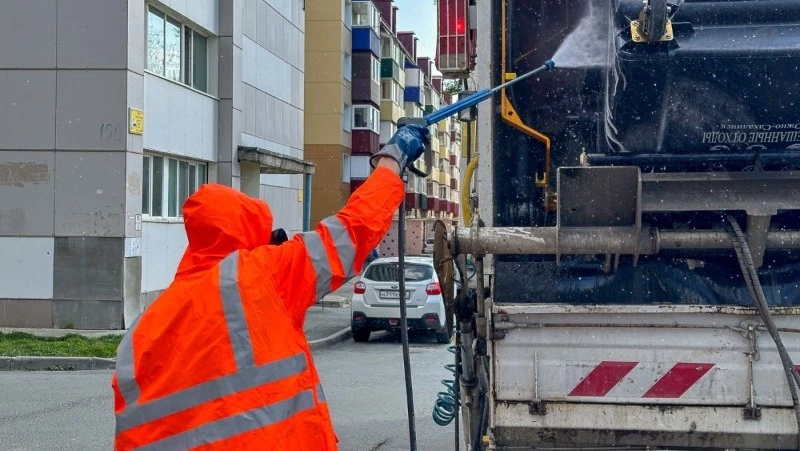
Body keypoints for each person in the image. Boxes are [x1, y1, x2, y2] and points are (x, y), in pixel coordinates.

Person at [111, 122, 430, 450]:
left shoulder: (143, 332)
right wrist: (393, 158)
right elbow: (354, 229)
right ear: (249, 233)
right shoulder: (263, 275)